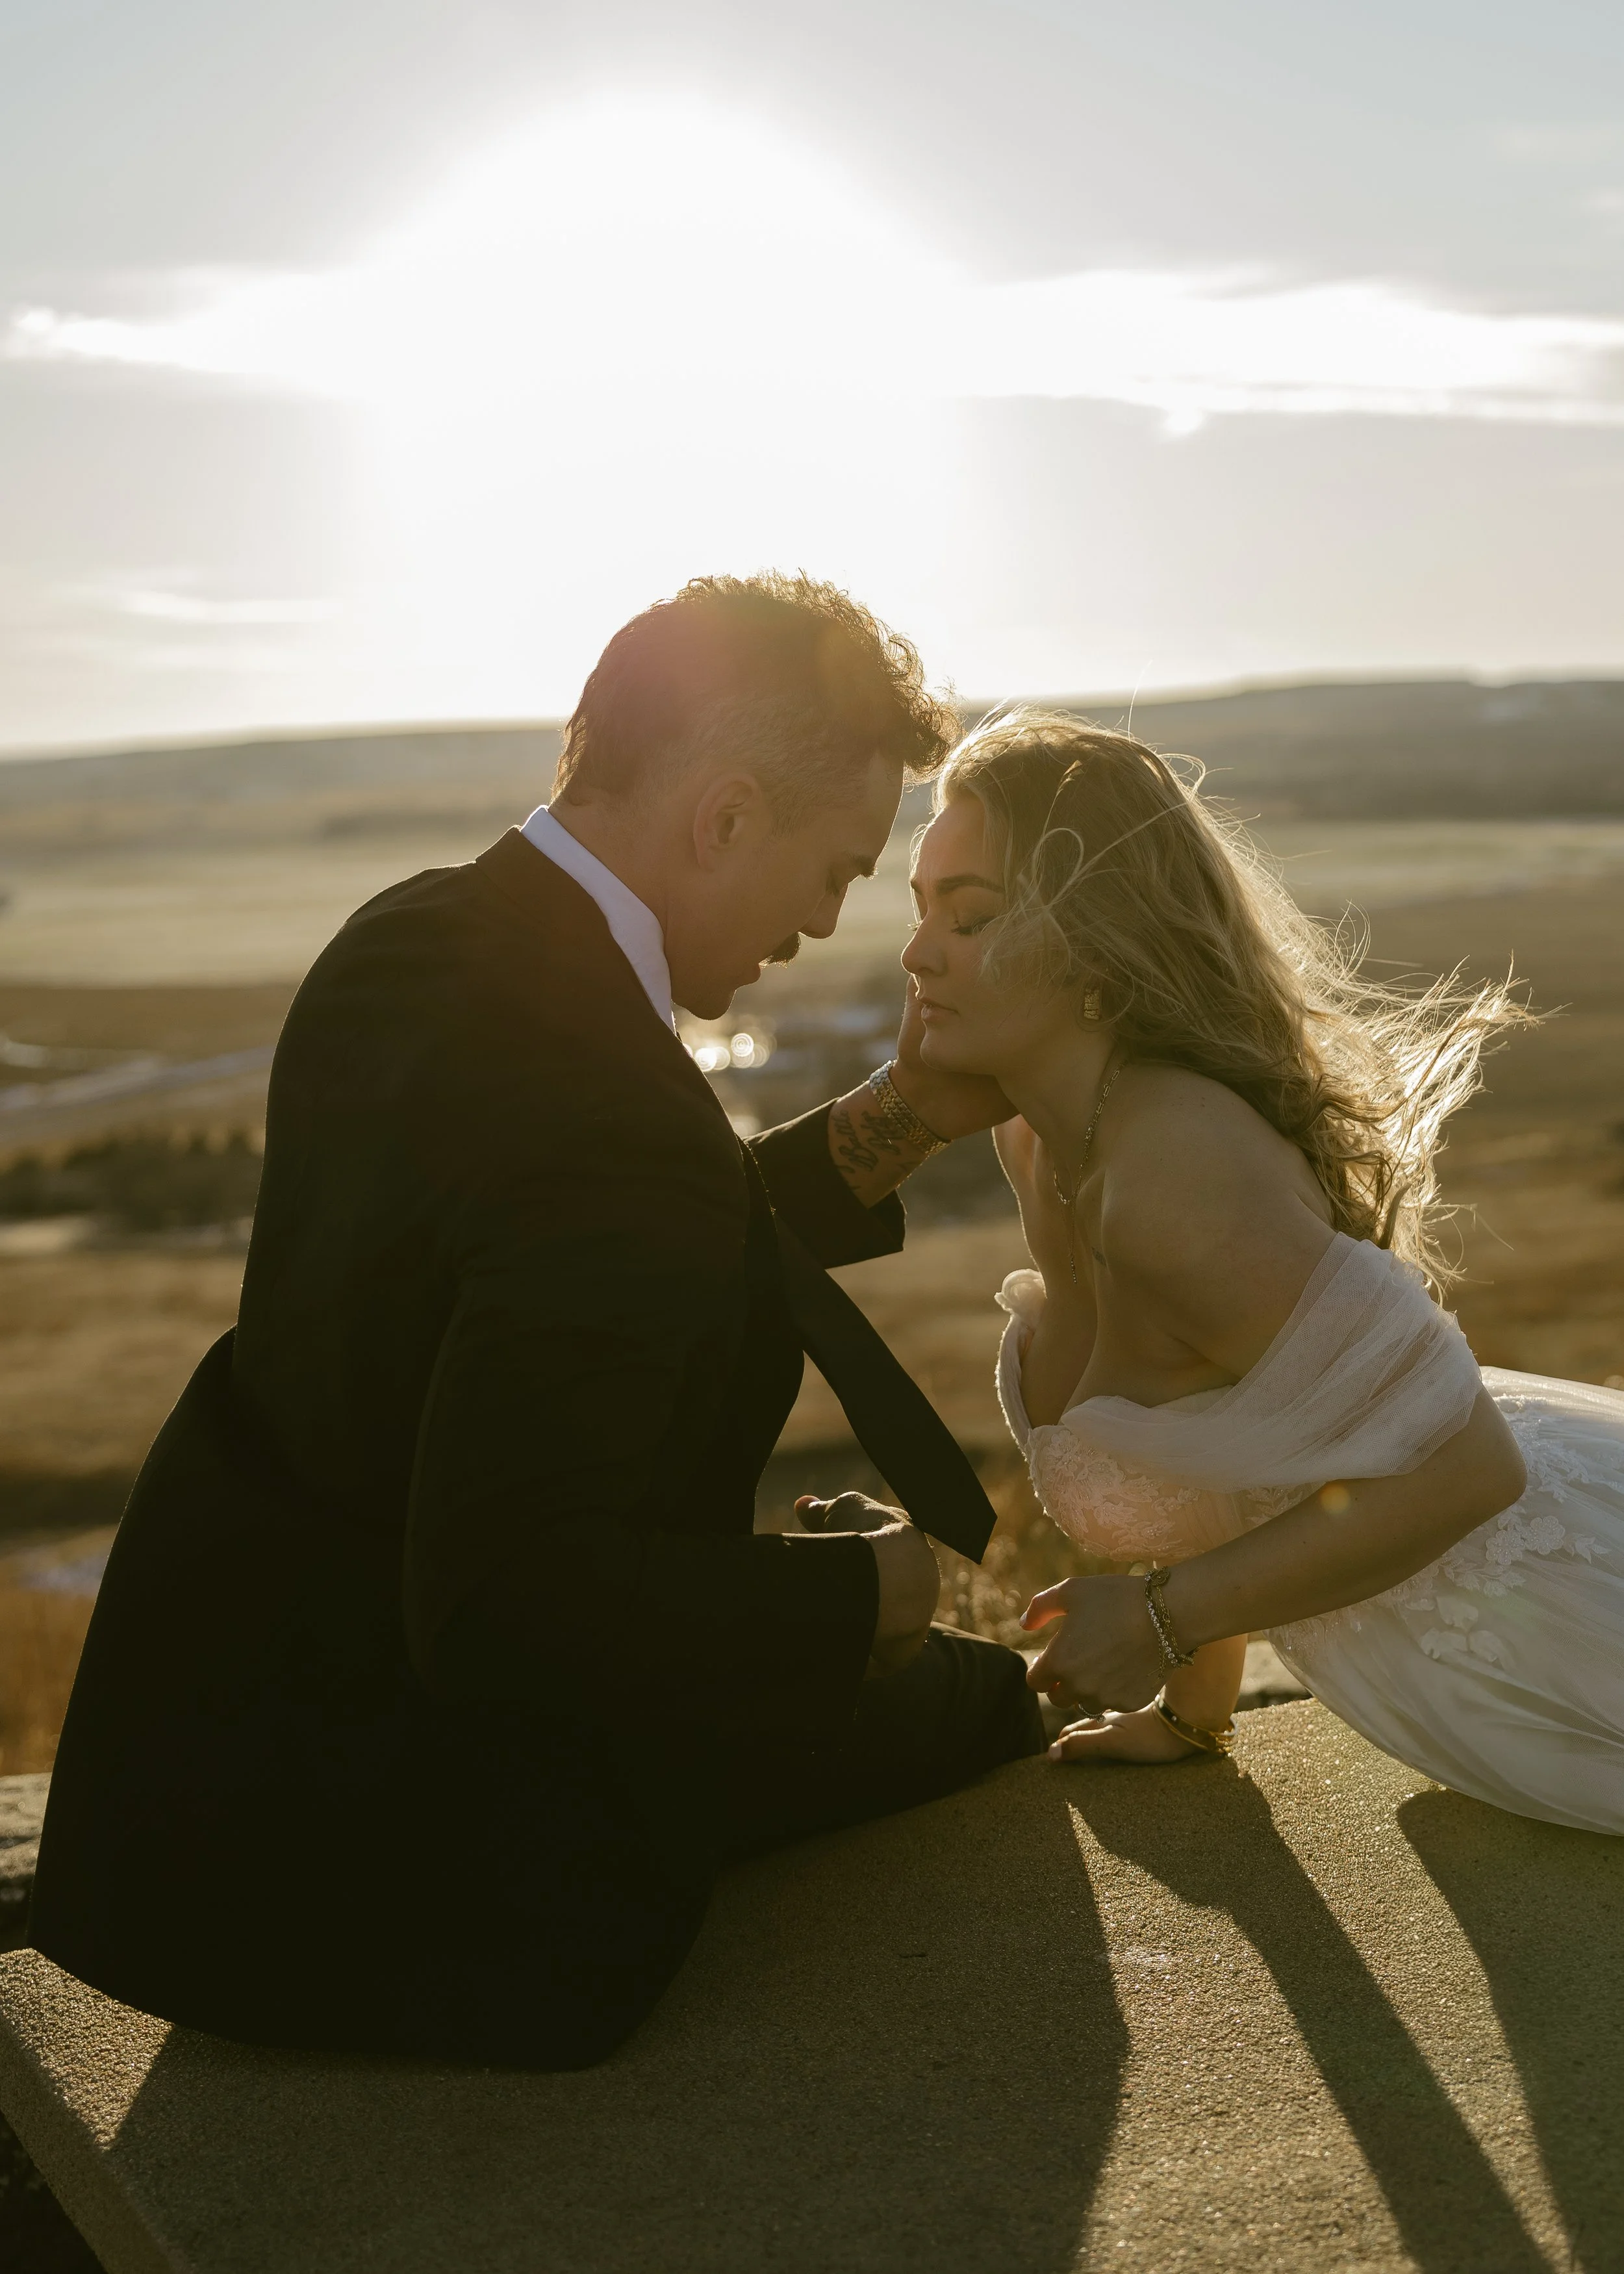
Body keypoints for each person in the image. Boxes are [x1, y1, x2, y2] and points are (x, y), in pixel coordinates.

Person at [29, 575, 1043, 2068]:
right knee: (985, 1701)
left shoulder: (407, 941)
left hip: (201, 1826)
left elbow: (574, 1227)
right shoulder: (607, 1114)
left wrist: (893, 1123)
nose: (824, 923)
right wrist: (862, 1598)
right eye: (831, 870)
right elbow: (511, 1606)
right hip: (419, 1882)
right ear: (724, 816)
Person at [902, 706, 1624, 1834]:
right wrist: (1192, 1714)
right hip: (1427, 1684)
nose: (916, 953)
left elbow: (1472, 1470)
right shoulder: (1040, 1142)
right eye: (918, 910)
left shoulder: (1173, 1175)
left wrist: (1159, 1619)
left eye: (972, 915)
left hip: (1553, 1636)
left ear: (1092, 942)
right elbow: (1224, 1433)